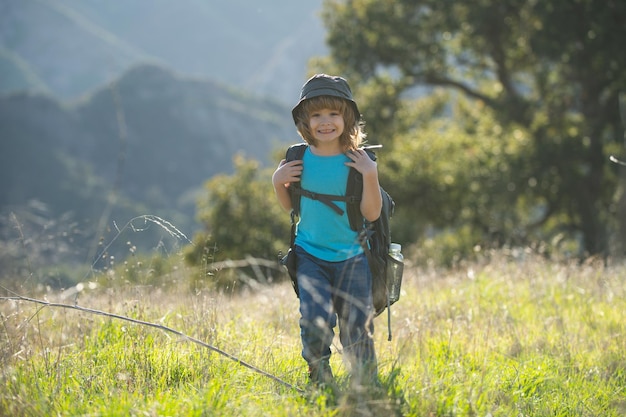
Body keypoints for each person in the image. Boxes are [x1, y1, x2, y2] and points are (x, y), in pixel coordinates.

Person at [272, 74, 382, 388]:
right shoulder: (298, 158)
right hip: (310, 255)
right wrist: (277, 181)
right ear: (304, 120)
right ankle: (319, 378)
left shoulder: (360, 161)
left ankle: (365, 384)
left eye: (333, 114)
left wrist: (370, 175)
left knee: (356, 328)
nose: (325, 122)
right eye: (316, 115)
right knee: (313, 321)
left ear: (347, 119)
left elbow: (371, 213)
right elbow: (291, 208)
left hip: (352, 257)